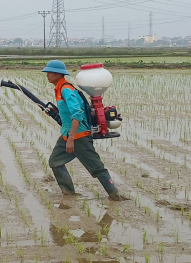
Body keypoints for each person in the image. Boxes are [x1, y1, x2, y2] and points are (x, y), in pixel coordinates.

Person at [41, 60, 128, 201]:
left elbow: (77, 114)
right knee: (55, 162)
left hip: (78, 136)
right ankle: (68, 193)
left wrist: (71, 139)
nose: (47, 75)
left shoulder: (66, 89)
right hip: (67, 134)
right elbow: (70, 111)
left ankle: (115, 196)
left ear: (58, 74)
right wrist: (56, 111)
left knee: (97, 168)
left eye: (49, 72)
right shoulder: (60, 88)